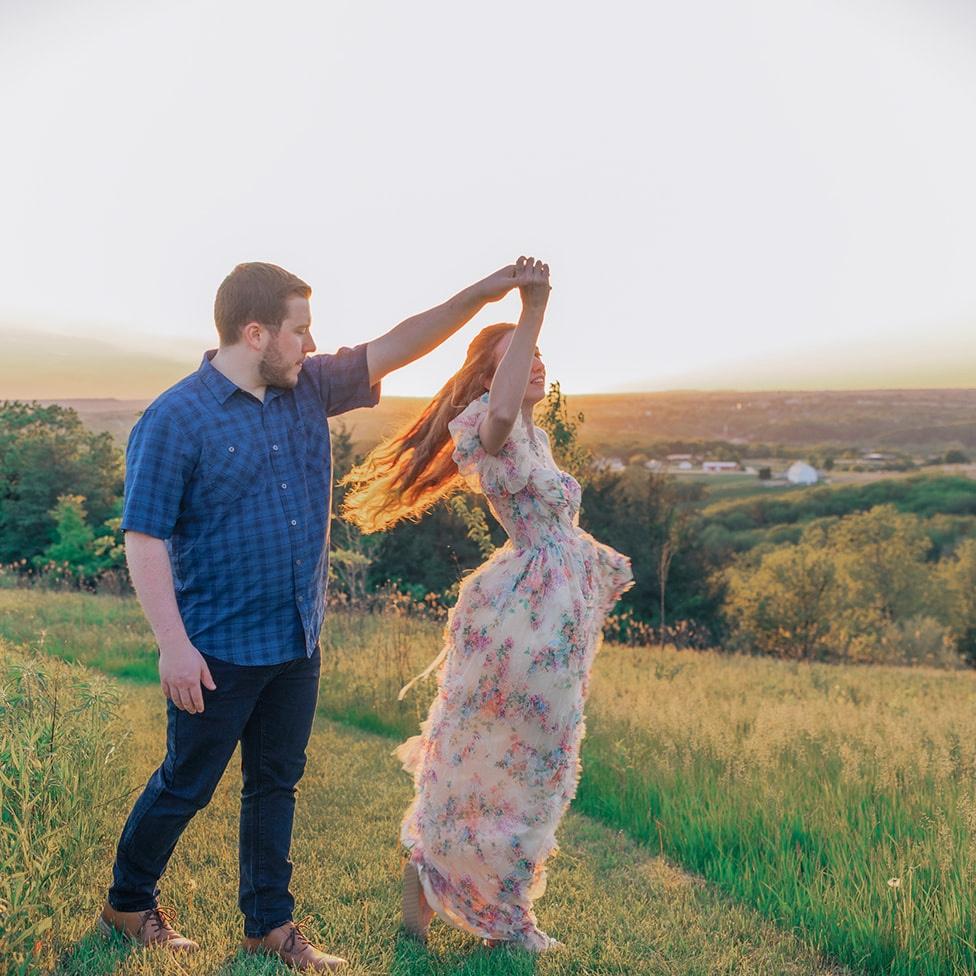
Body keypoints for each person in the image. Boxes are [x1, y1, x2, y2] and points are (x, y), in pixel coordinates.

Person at [97, 258, 532, 973]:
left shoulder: (310, 386)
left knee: (275, 784)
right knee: (187, 783)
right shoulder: (175, 419)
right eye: (300, 329)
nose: (312, 341)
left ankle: (269, 926)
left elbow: (401, 342)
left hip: (296, 639)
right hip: (216, 646)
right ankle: (127, 901)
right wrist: (172, 645)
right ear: (256, 332)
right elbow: (143, 536)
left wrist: (485, 293)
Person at [341, 256, 634, 951]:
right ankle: (476, 903)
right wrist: (533, 308)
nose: (536, 365)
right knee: (497, 757)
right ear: (487, 377)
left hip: (553, 616)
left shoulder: (538, 435)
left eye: (538, 356)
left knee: (534, 761)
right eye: (519, 357)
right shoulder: (487, 423)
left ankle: (486, 900)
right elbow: (503, 409)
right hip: (521, 620)